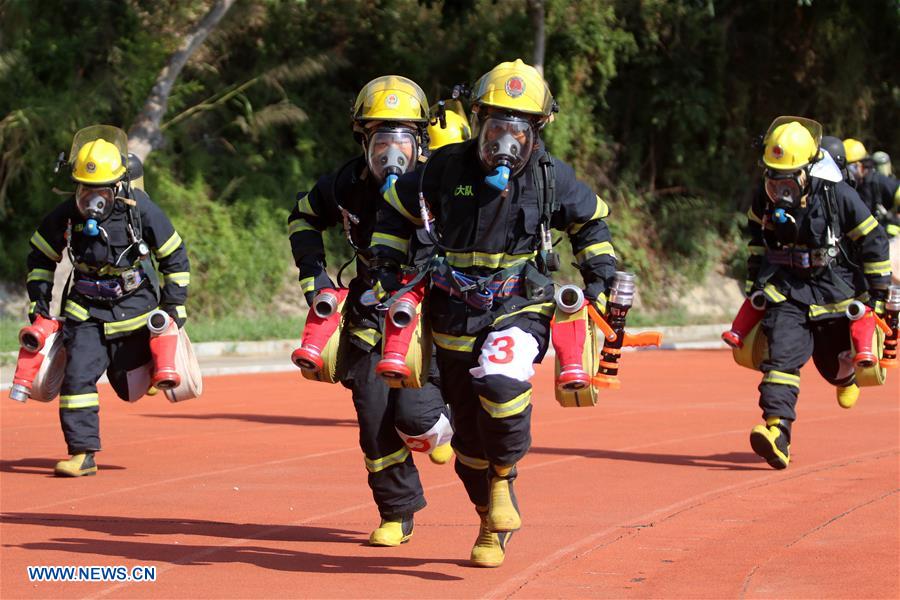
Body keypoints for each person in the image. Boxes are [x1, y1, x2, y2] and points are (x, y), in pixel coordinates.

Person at [371, 59, 617, 567]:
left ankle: (504, 478)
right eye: (495, 127)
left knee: (503, 383)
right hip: (452, 313)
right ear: (479, 121)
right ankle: (488, 516)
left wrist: (600, 281)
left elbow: (591, 225)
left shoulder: (552, 178)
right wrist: (389, 269)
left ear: (536, 132)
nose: (504, 141)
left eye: (517, 130)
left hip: (519, 304)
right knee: (466, 441)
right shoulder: (444, 168)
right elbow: (394, 210)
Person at [286, 75, 452, 547]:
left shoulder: (444, 182)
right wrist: (314, 278)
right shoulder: (345, 184)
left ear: (421, 141)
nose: (390, 153)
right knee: (373, 412)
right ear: (363, 141)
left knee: (414, 416)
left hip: (433, 310)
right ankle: (397, 512)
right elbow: (301, 218)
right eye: (380, 140)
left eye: (402, 139)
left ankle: (438, 430)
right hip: (371, 308)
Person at [24, 125, 190, 477]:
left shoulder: (138, 209)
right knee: (76, 380)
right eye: (85, 188)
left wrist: (175, 306)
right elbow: (40, 256)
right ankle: (82, 453)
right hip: (85, 311)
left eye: (100, 190)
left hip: (135, 308)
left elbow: (174, 254)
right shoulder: (69, 213)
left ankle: (152, 365)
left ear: (118, 185)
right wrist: (39, 302)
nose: (91, 198)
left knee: (129, 389)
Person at [743, 117, 890, 470]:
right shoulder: (764, 198)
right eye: (772, 176)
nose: (780, 186)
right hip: (788, 289)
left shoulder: (837, 194)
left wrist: (878, 293)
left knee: (834, 366)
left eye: (788, 178)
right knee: (781, 362)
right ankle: (777, 433)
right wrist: (755, 285)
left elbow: (873, 239)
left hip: (834, 290)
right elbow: (755, 243)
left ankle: (846, 377)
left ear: (808, 170)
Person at [843, 138, 900, 237]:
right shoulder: (853, 186)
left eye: (849, 168)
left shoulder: (878, 181)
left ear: (859, 165)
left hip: (890, 239)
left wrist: (894, 224)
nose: (846, 173)